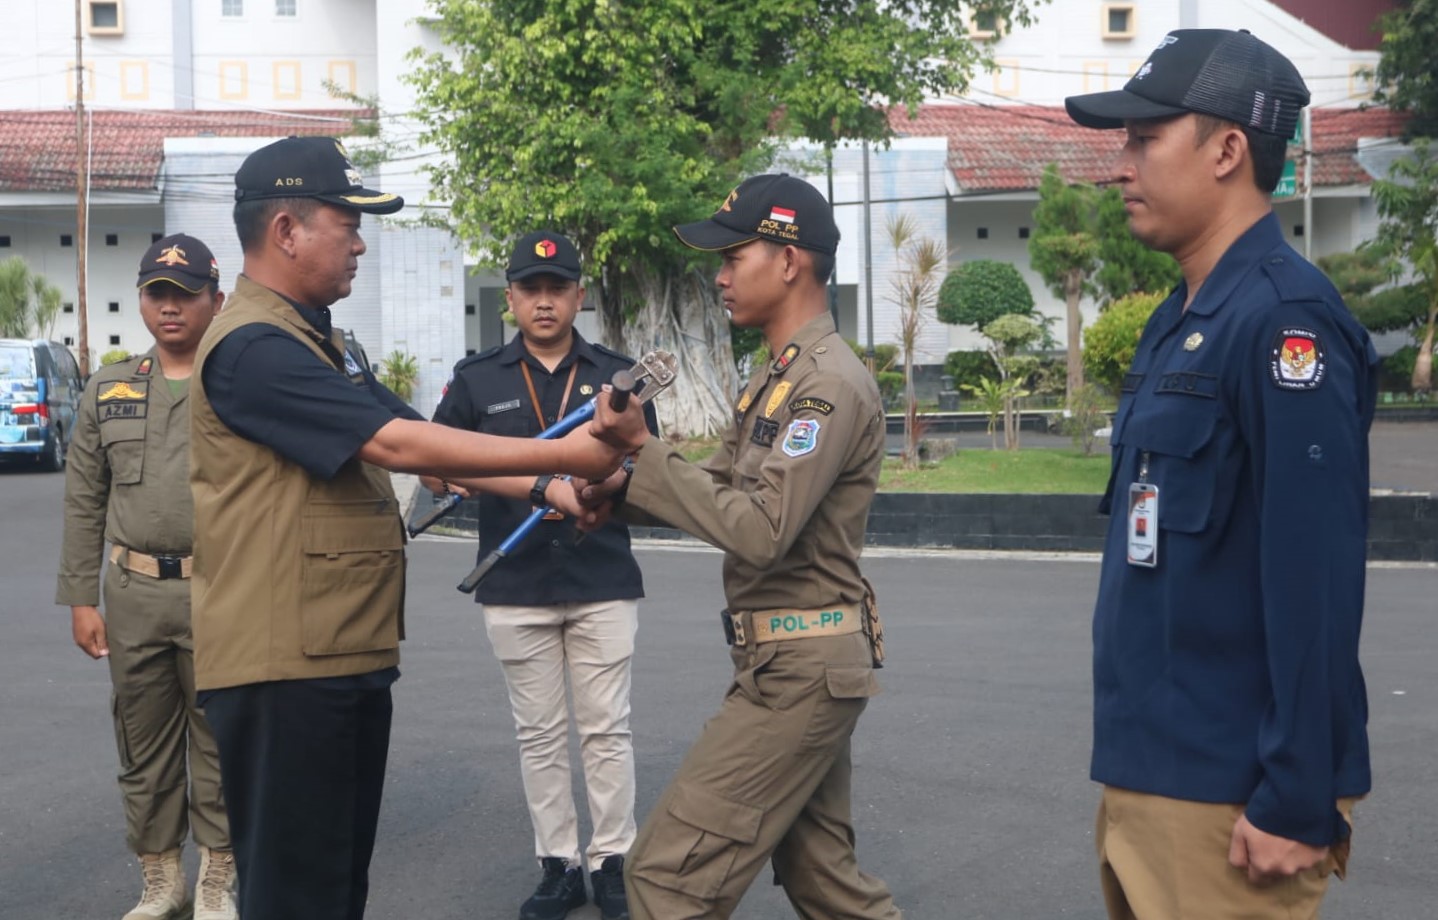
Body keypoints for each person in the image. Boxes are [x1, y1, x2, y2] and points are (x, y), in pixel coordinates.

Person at [189, 136, 644, 920]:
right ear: (288, 230)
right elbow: (401, 447)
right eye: (347, 222)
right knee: (297, 892)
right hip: (283, 665)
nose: (360, 242)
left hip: (333, 651)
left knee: (335, 885)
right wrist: (567, 450)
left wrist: (550, 487)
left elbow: (421, 437)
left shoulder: (321, 343)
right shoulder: (253, 349)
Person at [1065, 29, 1377, 920]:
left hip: (1233, 796)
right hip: (1149, 770)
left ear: (1228, 150)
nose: (1119, 165)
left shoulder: (1286, 325)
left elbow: (1314, 578)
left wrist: (1295, 792)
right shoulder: (1180, 319)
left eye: (1143, 138)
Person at [586, 174, 901, 919]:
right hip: (792, 661)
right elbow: (722, 484)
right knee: (826, 882)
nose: (720, 277)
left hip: (799, 669)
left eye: (733, 257)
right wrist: (623, 488)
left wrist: (642, 450)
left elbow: (761, 530)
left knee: (666, 879)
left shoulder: (827, 386)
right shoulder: (776, 376)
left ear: (789, 261)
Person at [422, 230, 658, 920]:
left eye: (559, 288)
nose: (545, 301)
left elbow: (653, 466)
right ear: (512, 297)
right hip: (514, 579)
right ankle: (556, 863)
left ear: (579, 295)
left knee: (606, 727)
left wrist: (608, 482)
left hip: (602, 576)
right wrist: (497, 480)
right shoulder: (477, 380)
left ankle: (613, 861)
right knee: (539, 734)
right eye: (531, 288)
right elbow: (434, 465)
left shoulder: (620, 377)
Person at [56, 234, 238, 920]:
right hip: (131, 596)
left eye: (186, 295)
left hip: (221, 589)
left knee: (219, 737)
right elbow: (83, 498)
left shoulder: (239, 385)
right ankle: (163, 879)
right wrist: (80, 597)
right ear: (141, 301)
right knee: (142, 740)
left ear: (215, 302)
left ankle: (219, 875)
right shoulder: (110, 388)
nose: (170, 308)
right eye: (158, 294)